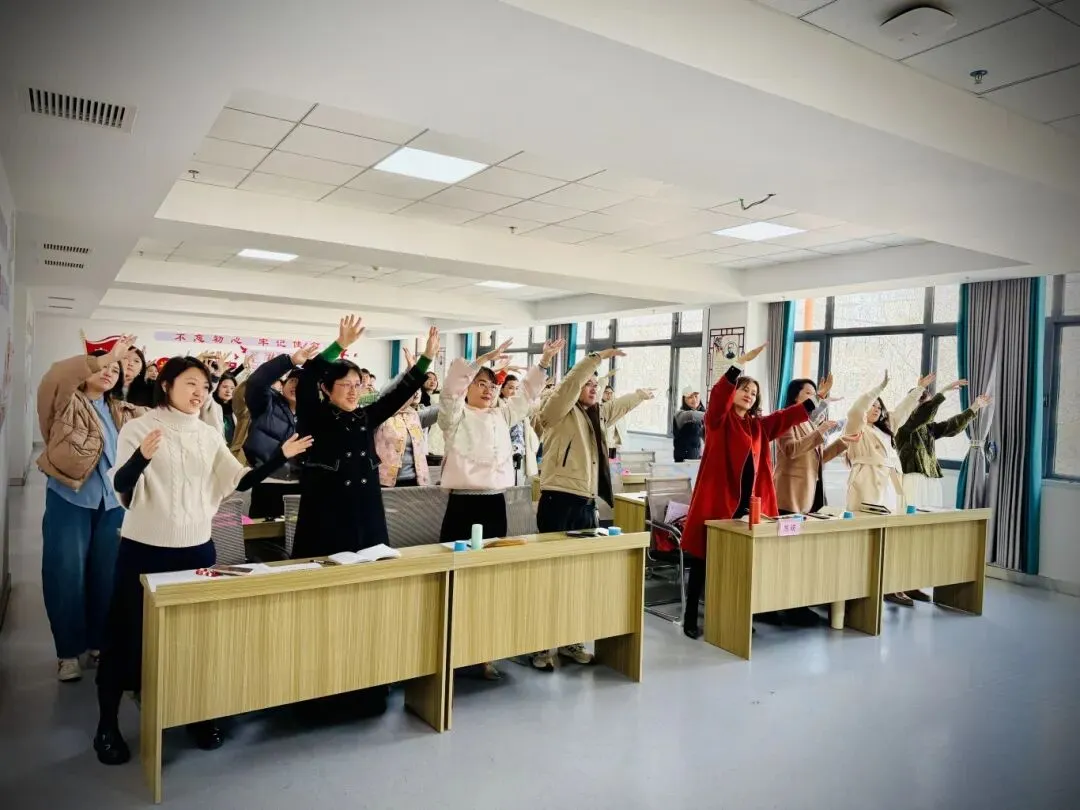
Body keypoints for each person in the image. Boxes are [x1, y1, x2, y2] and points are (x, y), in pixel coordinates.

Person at [93, 356, 312, 765]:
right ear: (166, 384)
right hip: (144, 551)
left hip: (196, 550)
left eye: (205, 387)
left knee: (196, 640)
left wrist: (279, 455)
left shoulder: (209, 434)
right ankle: (107, 724)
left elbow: (239, 480)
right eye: (191, 383)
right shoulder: (140, 427)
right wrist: (140, 457)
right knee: (126, 637)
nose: (200, 392)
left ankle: (196, 714)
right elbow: (122, 485)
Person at [679, 343, 822, 640]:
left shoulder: (758, 426)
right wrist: (739, 364)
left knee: (739, 564)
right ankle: (690, 617)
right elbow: (719, 395)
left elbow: (786, 417)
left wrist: (817, 398)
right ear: (734, 392)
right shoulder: (718, 420)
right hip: (717, 503)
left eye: (754, 393)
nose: (749, 395)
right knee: (703, 561)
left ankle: (734, 615)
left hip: (746, 507)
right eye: (744, 389)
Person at [438, 339, 561, 678]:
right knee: (458, 577)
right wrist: (482, 360)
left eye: (492, 386)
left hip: (495, 503)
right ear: (468, 387)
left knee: (490, 579)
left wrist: (544, 361)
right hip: (462, 504)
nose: (488, 390)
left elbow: (527, 395)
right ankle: (452, 649)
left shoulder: (501, 414)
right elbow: (449, 392)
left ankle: (483, 651)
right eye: (480, 383)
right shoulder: (455, 415)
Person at [531, 347, 653, 670]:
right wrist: (595, 359)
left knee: (578, 578)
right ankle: (541, 645)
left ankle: (571, 640)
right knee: (551, 577)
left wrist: (639, 396)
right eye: (588, 383)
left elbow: (616, 407)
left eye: (596, 384)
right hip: (558, 500)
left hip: (586, 503)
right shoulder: (557, 407)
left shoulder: (596, 414)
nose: (593, 388)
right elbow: (569, 385)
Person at [36, 335, 143, 683]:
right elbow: (57, 373)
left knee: (107, 575)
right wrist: (106, 357)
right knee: (65, 573)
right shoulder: (65, 400)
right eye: (103, 366)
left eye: (116, 369)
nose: (110, 372)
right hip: (70, 497)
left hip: (112, 503)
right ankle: (68, 652)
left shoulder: (120, 410)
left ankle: (98, 642)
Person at [290, 320, 438, 559]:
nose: (353, 391)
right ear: (326, 389)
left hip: (367, 512)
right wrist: (339, 345)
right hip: (328, 514)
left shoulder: (365, 416)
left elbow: (398, 395)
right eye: (346, 385)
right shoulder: (314, 416)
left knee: (372, 569)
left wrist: (426, 359)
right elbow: (308, 378)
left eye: (357, 385)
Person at [894, 380, 992, 603]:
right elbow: (921, 415)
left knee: (924, 536)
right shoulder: (903, 426)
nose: (928, 408)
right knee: (907, 534)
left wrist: (974, 408)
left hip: (929, 481)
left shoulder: (928, 428)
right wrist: (944, 391)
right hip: (912, 480)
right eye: (923, 403)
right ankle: (895, 585)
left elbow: (951, 426)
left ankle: (912, 583)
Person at [843, 370, 931, 606]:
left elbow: (902, 410)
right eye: (871, 405)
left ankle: (894, 583)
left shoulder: (885, 429)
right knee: (867, 534)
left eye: (878, 406)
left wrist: (919, 390)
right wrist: (878, 389)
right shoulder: (856, 426)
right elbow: (856, 410)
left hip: (889, 484)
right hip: (866, 482)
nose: (875, 409)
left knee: (891, 534)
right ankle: (865, 585)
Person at [242, 336, 346, 518]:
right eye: (292, 381)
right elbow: (256, 383)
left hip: (303, 486)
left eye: (301, 383)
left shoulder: (317, 414)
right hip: (268, 483)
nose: (296, 387)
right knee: (265, 533)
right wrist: (289, 361)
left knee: (300, 533)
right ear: (283, 384)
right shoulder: (266, 404)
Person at [773, 375, 845, 515]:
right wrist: (820, 431)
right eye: (808, 393)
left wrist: (843, 442)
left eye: (814, 394)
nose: (813, 397)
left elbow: (819, 458)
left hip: (807, 493)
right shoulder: (784, 418)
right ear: (795, 396)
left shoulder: (808, 422)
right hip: (789, 493)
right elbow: (791, 450)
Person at [672, 386, 706, 462]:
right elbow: (692, 415)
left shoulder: (702, 413)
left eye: (696, 396)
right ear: (684, 399)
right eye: (690, 397)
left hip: (696, 458)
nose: (694, 399)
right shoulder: (680, 414)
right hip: (683, 461)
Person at [213, 374, 238, 445]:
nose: (228, 391)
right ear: (217, 388)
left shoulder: (236, 409)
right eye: (224, 387)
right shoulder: (211, 406)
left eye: (232, 388)